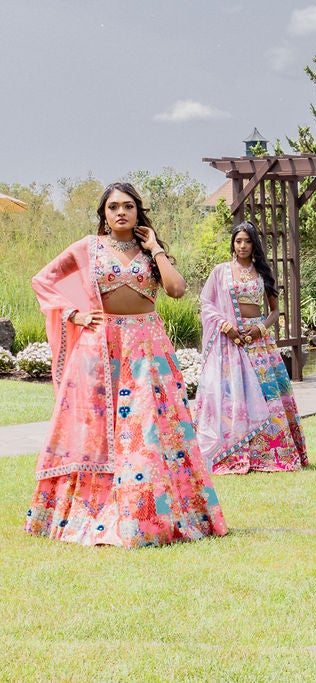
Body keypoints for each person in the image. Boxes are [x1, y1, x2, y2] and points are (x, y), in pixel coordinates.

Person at [25, 182, 227, 547]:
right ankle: (96, 512)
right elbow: (43, 280)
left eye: (128, 206)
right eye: (114, 206)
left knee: (148, 430)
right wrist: (74, 313)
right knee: (100, 429)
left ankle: (150, 514)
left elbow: (177, 290)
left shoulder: (150, 253)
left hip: (147, 347)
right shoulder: (89, 248)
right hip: (100, 346)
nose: (121, 212)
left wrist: (157, 249)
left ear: (138, 212)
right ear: (103, 213)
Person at [194, 221, 307, 474]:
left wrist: (260, 329)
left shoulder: (263, 273)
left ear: (254, 244)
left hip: (258, 342)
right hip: (229, 341)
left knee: (267, 395)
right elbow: (207, 303)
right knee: (234, 395)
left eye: (247, 241)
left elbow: (275, 310)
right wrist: (226, 327)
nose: (242, 245)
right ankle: (232, 451)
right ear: (233, 244)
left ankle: (270, 452)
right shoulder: (221, 272)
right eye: (238, 241)